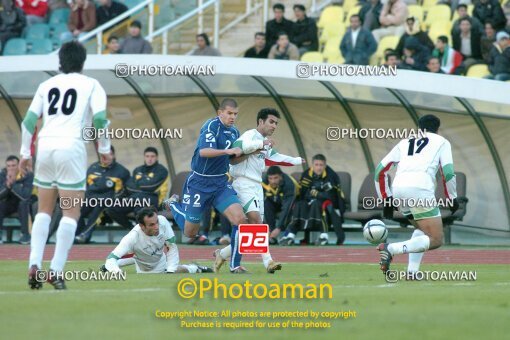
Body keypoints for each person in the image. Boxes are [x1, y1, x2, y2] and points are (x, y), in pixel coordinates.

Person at [20, 41, 112, 290]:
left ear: (60, 61)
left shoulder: (46, 85)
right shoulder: (92, 84)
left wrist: (24, 153)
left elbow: (28, 121)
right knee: (71, 212)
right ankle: (56, 270)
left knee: (43, 211)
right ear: (83, 62)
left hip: (45, 146)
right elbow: (101, 120)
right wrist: (104, 150)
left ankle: (34, 264)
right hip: (71, 147)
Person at [213, 108, 303, 274]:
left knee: (252, 228)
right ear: (260, 122)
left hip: (256, 186)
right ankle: (267, 261)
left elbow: (276, 158)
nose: (274, 125)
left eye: (276, 123)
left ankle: (223, 253)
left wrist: (297, 160)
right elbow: (238, 149)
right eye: (271, 121)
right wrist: (261, 144)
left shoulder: (264, 141)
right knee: (255, 222)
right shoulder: (249, 135)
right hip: (242, 183)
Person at [165, 98, 248, 273]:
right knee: (190, 233)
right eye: (229, 113)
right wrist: (228, 151)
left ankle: (235, 265)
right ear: (220, 113)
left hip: (220, 183)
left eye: (235, 114)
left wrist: (253, 151)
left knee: (240, 220)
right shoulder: (211, 126)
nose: (233, 117)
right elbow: (204, 152)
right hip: (199, 183)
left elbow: (234, 158)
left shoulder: (234, 131)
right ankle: (173, 204)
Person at [374, 114, 458, 275]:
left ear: (419, 128)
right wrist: (452, 198)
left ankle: (412, 272)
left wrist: (387, 200)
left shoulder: (404, 142)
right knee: (436, 239)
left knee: (422, 230)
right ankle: (391, 249)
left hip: (398, 189)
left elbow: (379, 171)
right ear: (437, 130)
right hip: (419, 190)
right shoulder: (442, 142)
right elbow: (448, 174)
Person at [102, 207, 213, 274]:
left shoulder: (162, 221)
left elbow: (171, 246)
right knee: (124, 259)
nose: (157, 227)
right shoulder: (132, 237)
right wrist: (116, 272)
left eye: (156, 222)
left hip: (159, 258)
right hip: (142, 263)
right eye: (151, 225)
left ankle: (194, 268)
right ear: (142, 226)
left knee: (175, 270)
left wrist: (170, 270)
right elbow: (111, 258)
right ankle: (115, 266)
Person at [281, 154, 346, 246]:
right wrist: (309, 196)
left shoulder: (331, 176)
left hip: (326, 205)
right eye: (316, 165)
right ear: (312, 165)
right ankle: (290, 235)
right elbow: (301, 193)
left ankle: (324, 235)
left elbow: (333, 196)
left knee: (318, 204)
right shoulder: (306, 174)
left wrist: (318, 194)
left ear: (325, 165)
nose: (319, 168)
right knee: (299, 205)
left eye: (321, 165)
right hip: (308, 203)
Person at [74, 146, 130, 243]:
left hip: (108, 202)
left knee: (101, 205)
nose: (104, 158)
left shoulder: (122, 172)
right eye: (102, 156)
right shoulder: (92, 168)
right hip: (90, 199)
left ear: (113, 155)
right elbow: (85, 187)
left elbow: (122, 193)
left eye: (107, 155)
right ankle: (78, 235)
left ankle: (84, 235)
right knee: (74, 206)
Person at [106, 147, 168, 230]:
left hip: (154, 199)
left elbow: (150, 187)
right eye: (147, 156)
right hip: (135, 199)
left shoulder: (162, 170)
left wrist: (138, 184)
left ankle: (144, 233)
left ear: (156, 157)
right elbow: (129, 186)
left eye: (152, 156)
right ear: (144, 157)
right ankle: (131, 228)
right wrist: (143, 184)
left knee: (139, 208)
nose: (150, 159)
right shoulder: (138, 169)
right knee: (111, 208)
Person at [0, 155, 33, 244]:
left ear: (19, 166)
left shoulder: (28, 175)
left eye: (14, 165)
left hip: (23, 204)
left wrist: (13, 183)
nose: (11, 168)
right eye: (8, 166)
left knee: (23, 204)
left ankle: (25, 235)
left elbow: (25, 196)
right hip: (8, 203)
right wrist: (7, 185)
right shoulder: (2, 175)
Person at [262, 166, 298, 244]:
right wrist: (265, 227)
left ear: (281, 176)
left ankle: (288, 235)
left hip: (294, 204)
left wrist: (279, 227)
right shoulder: (264, 182)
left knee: (294, 209)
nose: (273, 181)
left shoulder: (289, 184)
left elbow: (287, 207)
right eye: (270, 178)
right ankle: (270, 234)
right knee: (265, 204)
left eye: (275, 178)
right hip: (275, 203)